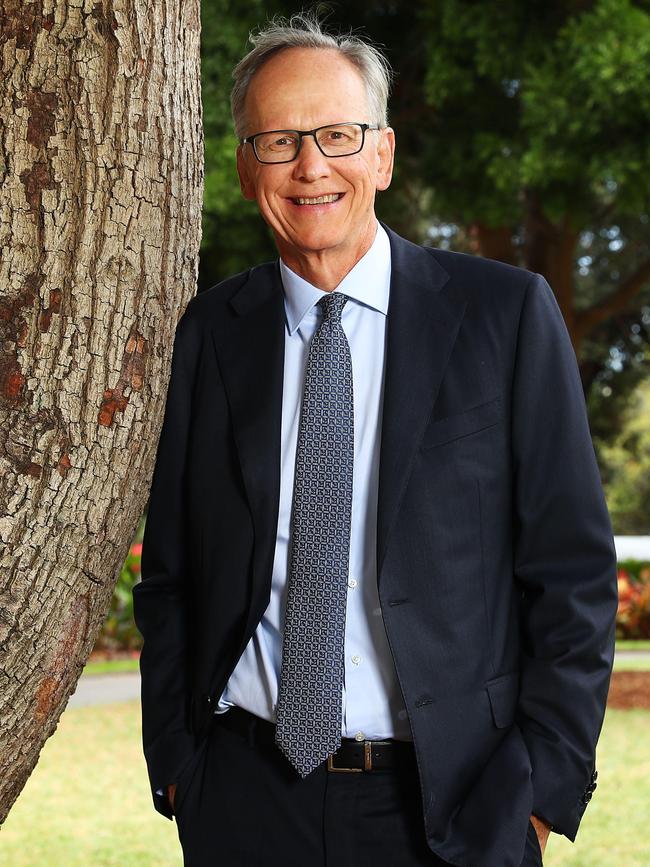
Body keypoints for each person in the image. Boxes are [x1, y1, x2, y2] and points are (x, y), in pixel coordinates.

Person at [133, 13, 618, 867]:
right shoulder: (213, 332)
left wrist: (538, 793)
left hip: (453, 808)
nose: (311, 165)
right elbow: (173, 570)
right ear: (248, 168)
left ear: (383, 155)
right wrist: (180, 768)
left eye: (338, 135)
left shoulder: (503, 315)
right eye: (279, 141)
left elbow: (572, 574)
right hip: (244, 799)